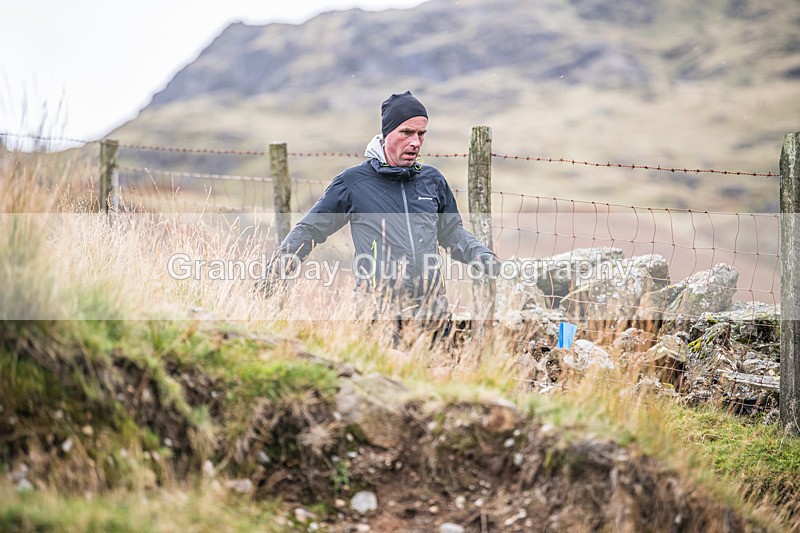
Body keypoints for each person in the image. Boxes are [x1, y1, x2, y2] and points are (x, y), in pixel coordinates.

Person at [263, 91, 499, 342]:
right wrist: (273, 276)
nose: (416, 142)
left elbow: (451, 233)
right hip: (379, 315)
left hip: (434, 314)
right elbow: (310, 230)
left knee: (437, 368)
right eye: (406, 132)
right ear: (386, 134)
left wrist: (484, 257)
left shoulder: (432, 180)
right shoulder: (353, 183)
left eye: (421, 134)